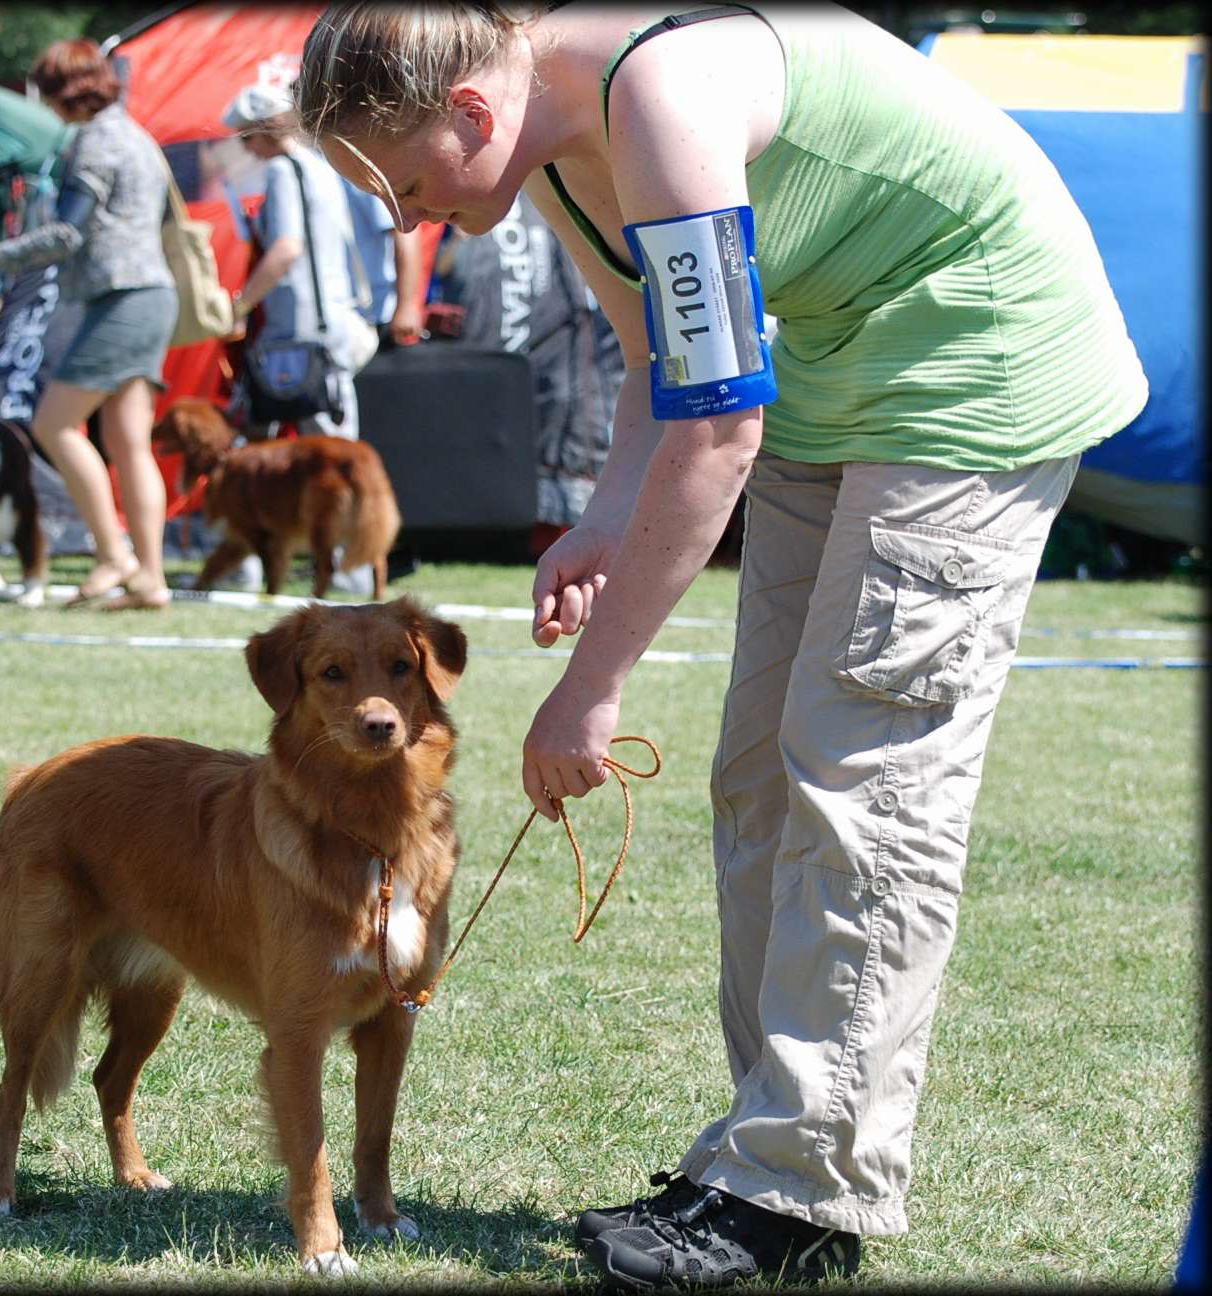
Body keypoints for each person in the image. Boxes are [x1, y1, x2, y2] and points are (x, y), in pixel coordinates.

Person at [294, 2, 1148, 1287]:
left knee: (863, 776)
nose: (408, 220)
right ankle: (758, 1156)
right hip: (838, 369)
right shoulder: (546, 145)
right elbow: (655, 368)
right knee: (757, 769)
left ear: (471, 112)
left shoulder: (659, 99)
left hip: (977, 358)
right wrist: (602, 519)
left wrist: (592, 691)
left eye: (407, 184)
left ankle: (801, 1196)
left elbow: (718, 435)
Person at [0, 38, 176, 610]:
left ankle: (112, 556)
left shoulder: (96, 142)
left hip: (118, 299)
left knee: (55, 425)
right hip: (153, 295)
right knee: (129, 443)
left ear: (62, 92)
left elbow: (67, 233)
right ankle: (150, 578)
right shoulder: (139, 136)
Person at [222, 82, 379, 595]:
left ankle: (255, 559)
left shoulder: (283, 172)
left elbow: (287, 248)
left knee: (259, 454)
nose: (245, 147)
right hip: (330, 327)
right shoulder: (322, 166)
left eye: (247, 136)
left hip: (298, 335)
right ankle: (352, 564)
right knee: (343, 456)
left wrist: (241, 303)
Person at [340, 175, 424, 349]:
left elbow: (405, 231)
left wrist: (407, 305)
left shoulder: (357, 174)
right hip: (341, 315)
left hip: (373, 317)